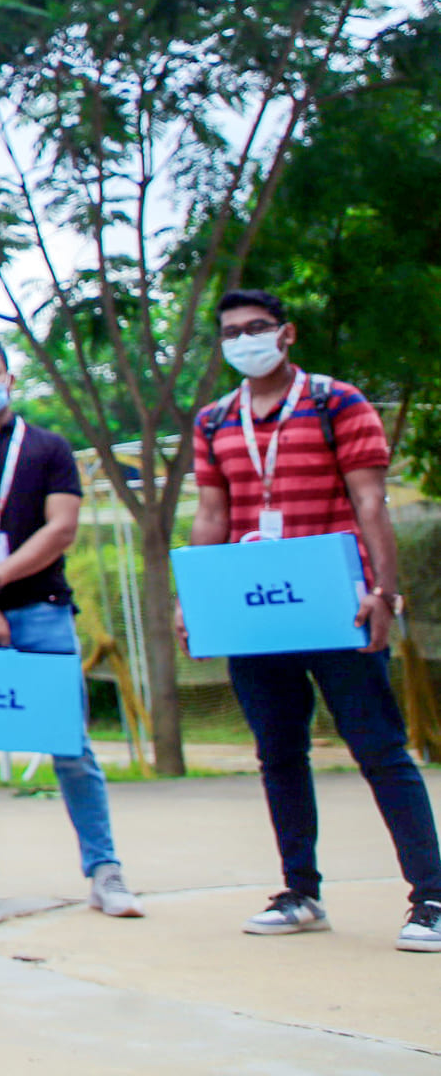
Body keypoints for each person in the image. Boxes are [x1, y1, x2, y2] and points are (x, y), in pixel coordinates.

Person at [186, 289, 440, 952]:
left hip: (335, 604)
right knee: (278, 752)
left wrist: (383, 593)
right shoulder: (214, 421)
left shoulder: (337, 403)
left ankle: (432, 898)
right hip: (253, 611)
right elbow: (212, 515)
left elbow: (370, 502)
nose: (245, 340)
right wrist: (196, 602)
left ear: (287, 333)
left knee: (378, 748)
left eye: (257, 327)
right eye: (232, 332)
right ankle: (300, 891)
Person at [0, 336, 140, 919]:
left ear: (10, 379)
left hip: (43, 609)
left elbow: (60, 528)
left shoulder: (49, 447)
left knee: (71, 745)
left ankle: (105, 870)